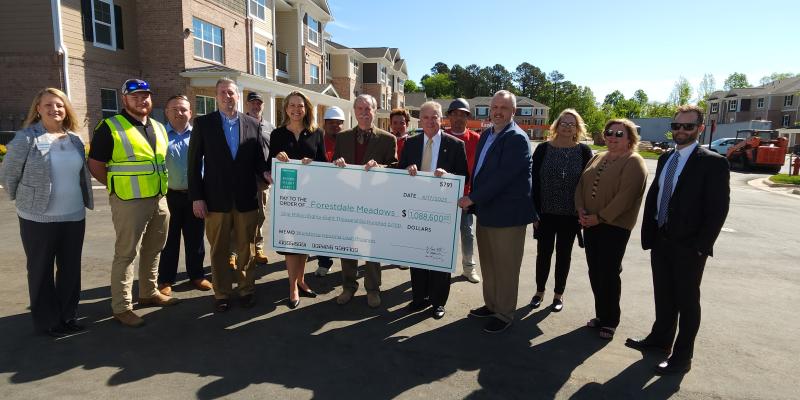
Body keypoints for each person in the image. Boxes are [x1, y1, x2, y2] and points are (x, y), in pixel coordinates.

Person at [626, 105, 730, 375]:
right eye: (676, 126)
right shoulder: (665, 159)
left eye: (688, 126)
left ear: (700, 128)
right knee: (664, 295)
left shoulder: (713, 163)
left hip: (689, 246)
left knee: (686, 301)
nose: (681, 131)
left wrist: (701, 246)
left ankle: (682, 358)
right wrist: (650, 232)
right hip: (662, 239)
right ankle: (660, 340)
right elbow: (657, 196)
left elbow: (718, 210)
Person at [0, 88, 94, 337]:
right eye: (49, 105)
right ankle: (47, 321)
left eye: (60, 105)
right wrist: (24, 201)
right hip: (38, 218)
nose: (55, 110)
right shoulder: (26, 138)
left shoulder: (74, 138)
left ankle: (68, 315)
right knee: (41, 269)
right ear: (38, 109)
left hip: (74, 215)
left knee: (70, 269)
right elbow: (9, 175)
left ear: (66, 109)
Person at [88, 79, 178, 328]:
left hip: (159, 198)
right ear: (124, 99)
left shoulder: (159, 127)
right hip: (129, 202)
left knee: (154, 249)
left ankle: (149, 292)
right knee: (126, 254)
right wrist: (116, 187)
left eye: (146, 95)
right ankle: (122, 307)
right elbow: (95, 164)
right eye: (135, 96)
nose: (142, 100)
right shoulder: (110, 127)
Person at [458, 90, 537, 333]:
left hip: (508, 216)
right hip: (488, 212)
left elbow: (503, 179)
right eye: (495, 107)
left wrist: (471, 197)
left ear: (514, 112)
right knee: (490, 264)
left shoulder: (516, 138)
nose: (498, 112)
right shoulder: (487, 134)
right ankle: (491, 305)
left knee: (506, 267)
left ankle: (504, 313)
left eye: (504, 108)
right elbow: (480, 171)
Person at [188, 78, 269, 313]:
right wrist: (197, 197)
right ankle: (221, 293)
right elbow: (193, 165)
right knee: (219, 249)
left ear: (237, 95)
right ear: (216, 97)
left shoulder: (252, 124)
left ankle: (246, 289)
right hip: (215, 200)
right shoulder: (204, 124)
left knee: (247, 248)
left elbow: (258, 161)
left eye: (231, 92)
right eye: (222, 93)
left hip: (246, 198)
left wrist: (267, 172)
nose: (227, 96)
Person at [574, 118, 647, 341]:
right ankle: (601, 314)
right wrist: (581, 210)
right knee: (595, 271)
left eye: (619, 134)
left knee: (608, 272)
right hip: (590, 223)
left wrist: (600, 217)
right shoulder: (598, 156)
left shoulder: (634, 162)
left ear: (629, 139)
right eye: (609, 132)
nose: (613, 137)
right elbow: (581, 185)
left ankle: (611, 320)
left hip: (614, 227)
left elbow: (625, 198)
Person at [398, 101, 468, 320]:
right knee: (417, 254)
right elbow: (399, 173)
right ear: (420, 120)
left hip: (443, 211)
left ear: (441, 119)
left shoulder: (455, 145)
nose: (430, 121)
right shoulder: (411, 143)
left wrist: (447, 175)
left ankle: (438, 302)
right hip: (416, 208)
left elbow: (464, 176)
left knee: (439, 256)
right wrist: (407, 170)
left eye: (434, 117)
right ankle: (419, 298)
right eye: (426, 117)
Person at [332, 94, 397, 308]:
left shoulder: (388, 139)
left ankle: (372, 288)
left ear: (375, 111)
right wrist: (337, 163)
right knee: (348, 246)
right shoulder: (342, 137)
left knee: (371, 248)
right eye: (359, 108)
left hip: (374, 202)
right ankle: (348, 286)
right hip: (348, 201)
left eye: (367, 109)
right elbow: (333, 171)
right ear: (353, 111)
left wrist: (382, 168)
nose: (363, 113)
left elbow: (395, 169)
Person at [529, 109, 593, 312]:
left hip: (571, 215)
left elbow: (587, 184)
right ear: (556, 126)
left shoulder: (583, 151)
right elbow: (534, 183)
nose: (567, 126)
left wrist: (583, 210)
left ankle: (558, 295)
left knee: (564, 255)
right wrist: (534, 212)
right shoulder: (542, 149)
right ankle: (539, 292)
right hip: (545, 213)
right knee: (543, 254)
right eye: (563, 123)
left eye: (571, 124)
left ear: (577, 128)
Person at [268, 91, 327, 308]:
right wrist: (277, 158)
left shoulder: (316, 133)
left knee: (303, 242)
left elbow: (324, 163)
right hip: (287, 197)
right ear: (285, 109)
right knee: (291, 243)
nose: (296, 109)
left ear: (306, 109)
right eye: (291, 105)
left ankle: (301, 280)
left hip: (310, 196)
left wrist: (313, 163)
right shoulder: (277, 134)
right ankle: (292, 286)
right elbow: (269, 166)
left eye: (300, 105)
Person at [157, 95, 212, 296]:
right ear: (167, 112)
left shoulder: (199, 134)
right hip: (168, 195)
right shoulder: (159, 135)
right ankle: (165, 279)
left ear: (190, 112)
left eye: (184, 109)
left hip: (195, 195)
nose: (180, 113)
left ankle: (197, 275)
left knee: (195, 238)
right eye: (175, 109)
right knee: (169, 240)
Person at [444, 98, 482, 284]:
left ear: (468, 117)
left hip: (465, 197)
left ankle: (469, 268)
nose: (458, 118)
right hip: (441, 196)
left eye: (463, 114)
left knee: (467, 233)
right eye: (455, 114)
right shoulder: (440, 136)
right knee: (441, 233)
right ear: (449, 116)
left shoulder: (477, 139)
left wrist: (472, 196)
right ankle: (439, 267)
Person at [315, 105, 346, 277]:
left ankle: (347, 265)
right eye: (331, 123)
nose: (335, 126)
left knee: (342, 230)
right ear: (324, 123)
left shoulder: (348, 141)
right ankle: (324, 262)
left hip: (343, 193)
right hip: (321, 192)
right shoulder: (317, 139)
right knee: (322, 229)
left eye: (339, 123)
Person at [246, 91, 275, 265]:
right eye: (253, 103)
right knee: (240, 216)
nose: (256, 106)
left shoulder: (270, 127)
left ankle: (258, 248)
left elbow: (274, 152)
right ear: (247, 105)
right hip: (243, 178)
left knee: (260, 214)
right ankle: (235, 252)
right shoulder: (241, 123)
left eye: (259, 103)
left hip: (263, 180)